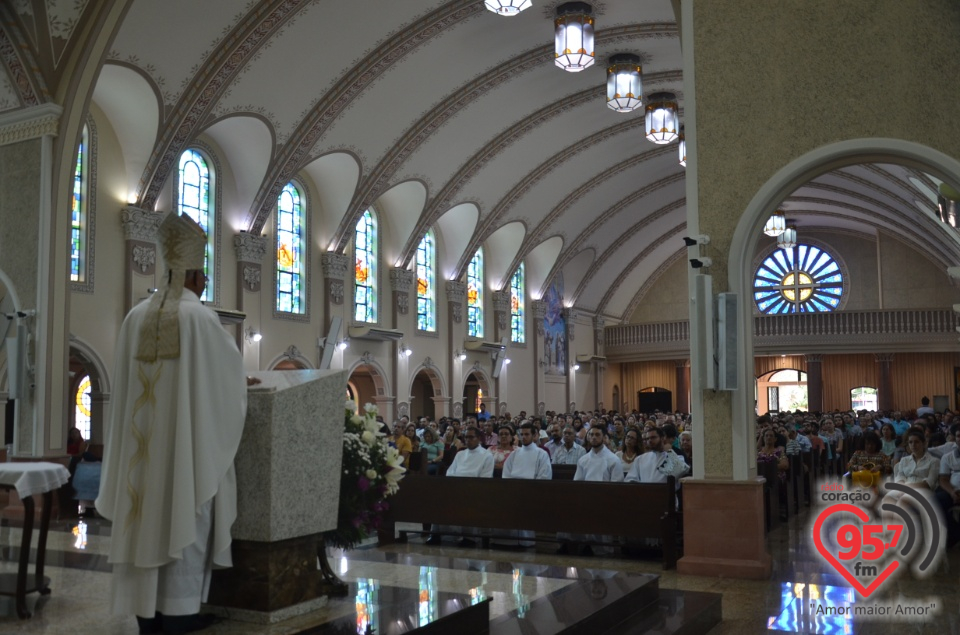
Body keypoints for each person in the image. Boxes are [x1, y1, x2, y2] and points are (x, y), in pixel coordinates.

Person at [96, 213, 253, 635]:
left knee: (143, 527)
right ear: (196, 277)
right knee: (184, 536)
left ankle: (148, 620)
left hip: (139, 469)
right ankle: (179, 618)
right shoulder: (200, 320)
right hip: (185, 464)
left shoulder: (133, 318)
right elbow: (227, 392)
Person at [560, 427, 624, 555]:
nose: (594, 437)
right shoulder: (583, 459)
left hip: (605, 500)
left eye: (597, 435)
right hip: (585, 499)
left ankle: (598, 547)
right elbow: (577, 483)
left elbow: (617, 486)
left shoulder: (613, 460)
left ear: (604, 438)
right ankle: (574, 545)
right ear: (588, 438)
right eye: (591, 435)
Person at [426, 426, 494, 546]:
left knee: (469, 502)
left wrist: (468, 487)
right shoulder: (460, 454)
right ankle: (436, 535)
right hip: (456, 488)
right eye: (466, 437)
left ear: (478, 438)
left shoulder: (487, 456)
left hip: (475, 490)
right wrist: (455, 486)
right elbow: (450, 472)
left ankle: (469, 538)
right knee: (438, 499)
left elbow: (486, 478)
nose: (468, 440)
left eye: (471, 437)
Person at [501, 422, 552, 546]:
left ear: (534, 435)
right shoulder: (514, 454)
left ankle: (527, 542)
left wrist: (529, 490)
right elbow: (506, 474)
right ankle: (508, 541)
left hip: (533, 493)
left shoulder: (542, 454)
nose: (523, 437)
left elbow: (544, 477)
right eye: (521, 434)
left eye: (527, 434)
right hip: (513, 492)